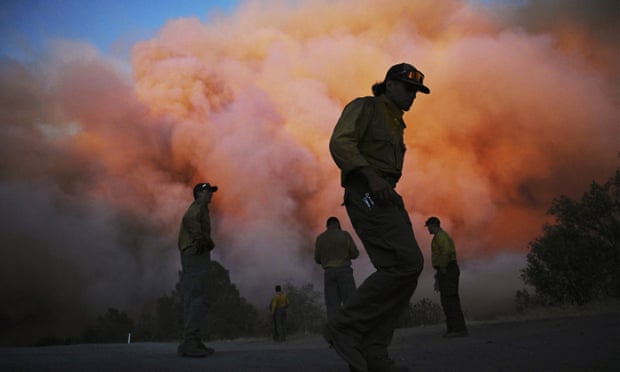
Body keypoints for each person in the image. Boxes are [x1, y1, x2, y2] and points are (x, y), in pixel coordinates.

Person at [326, 63, 429, 372]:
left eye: (416, 92)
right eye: (408, 88)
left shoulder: (396, 121)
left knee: (401, 269)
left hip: (384, 193)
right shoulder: (366, 107)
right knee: (408, 263)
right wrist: (371, 178)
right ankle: (343, 327)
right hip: (367, 190)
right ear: (389, 85)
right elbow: (340, 142)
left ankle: (373, 351)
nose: (413, 96)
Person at [176, 182, 218, 357]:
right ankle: (191, 342)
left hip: (192, 253)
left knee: (193, 297)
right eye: (207, 191)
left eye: (211, 192)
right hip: (195, 252)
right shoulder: (198, 206)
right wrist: (202, 239)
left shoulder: (201, 208)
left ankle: (190, 341)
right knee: (199, 296)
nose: (210, 194)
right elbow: (188, 220)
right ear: (199, 194)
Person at [424, 216, 468, 338]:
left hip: (448, 269)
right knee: (448, 299)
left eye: (429, 227)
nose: (428, 229)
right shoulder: (442, 236)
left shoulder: (440, 237)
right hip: (447, 269)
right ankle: (454, 329)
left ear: (433, 225)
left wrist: (442, 267)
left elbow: (446, 251)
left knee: (449, 299)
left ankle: (457, 330)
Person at [314, 216, 360, 321]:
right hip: (344, 271)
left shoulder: (320, 238)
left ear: (327, 226)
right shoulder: (344, 235)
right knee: (350, 302)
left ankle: (335, 331)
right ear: (338, 224)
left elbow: (317, 259)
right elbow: (354, 253)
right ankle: (352, 328)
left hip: (329, 272)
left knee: (332, 305)